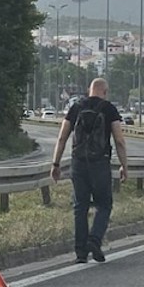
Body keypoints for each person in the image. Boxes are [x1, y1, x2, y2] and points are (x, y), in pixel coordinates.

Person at [50, 78, 129, 263]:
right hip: (100, 163)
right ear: (105, 91)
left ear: (88, 90)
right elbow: (119, 140)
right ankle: (94, 239)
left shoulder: (76, 107)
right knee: (104, 204)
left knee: (80, 206)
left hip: (78, 164)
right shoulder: (109, 109)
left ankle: (80, 252)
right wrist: (125, 166)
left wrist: (55, 164)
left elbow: (62, 138)